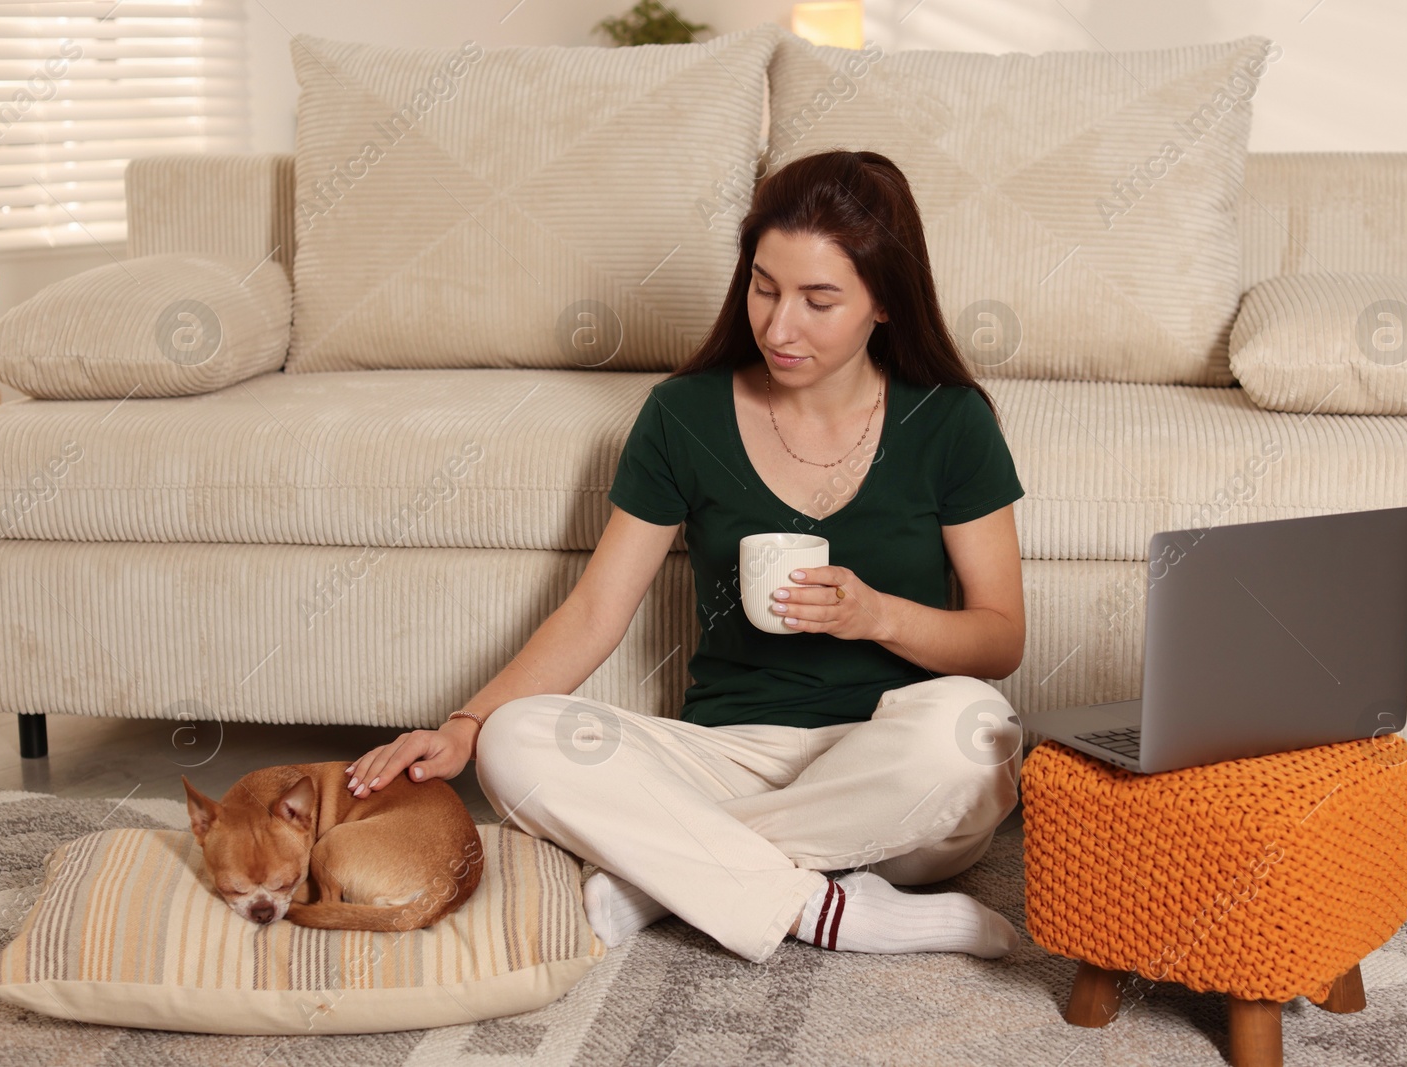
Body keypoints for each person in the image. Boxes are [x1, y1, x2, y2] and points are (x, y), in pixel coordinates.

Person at [344, 149, 1028, 965]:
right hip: (727, 756)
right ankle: (826, 905)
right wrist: (464, 725)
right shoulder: (684, 413)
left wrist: (876, 614)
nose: (779, 326)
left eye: (819, 300)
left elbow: (999, 638)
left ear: (885, 302)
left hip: (893, 772)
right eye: (765, 287)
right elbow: (597, 609)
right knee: (516, 742)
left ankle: (663, 878)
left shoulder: (951, 422)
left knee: (977, 737)